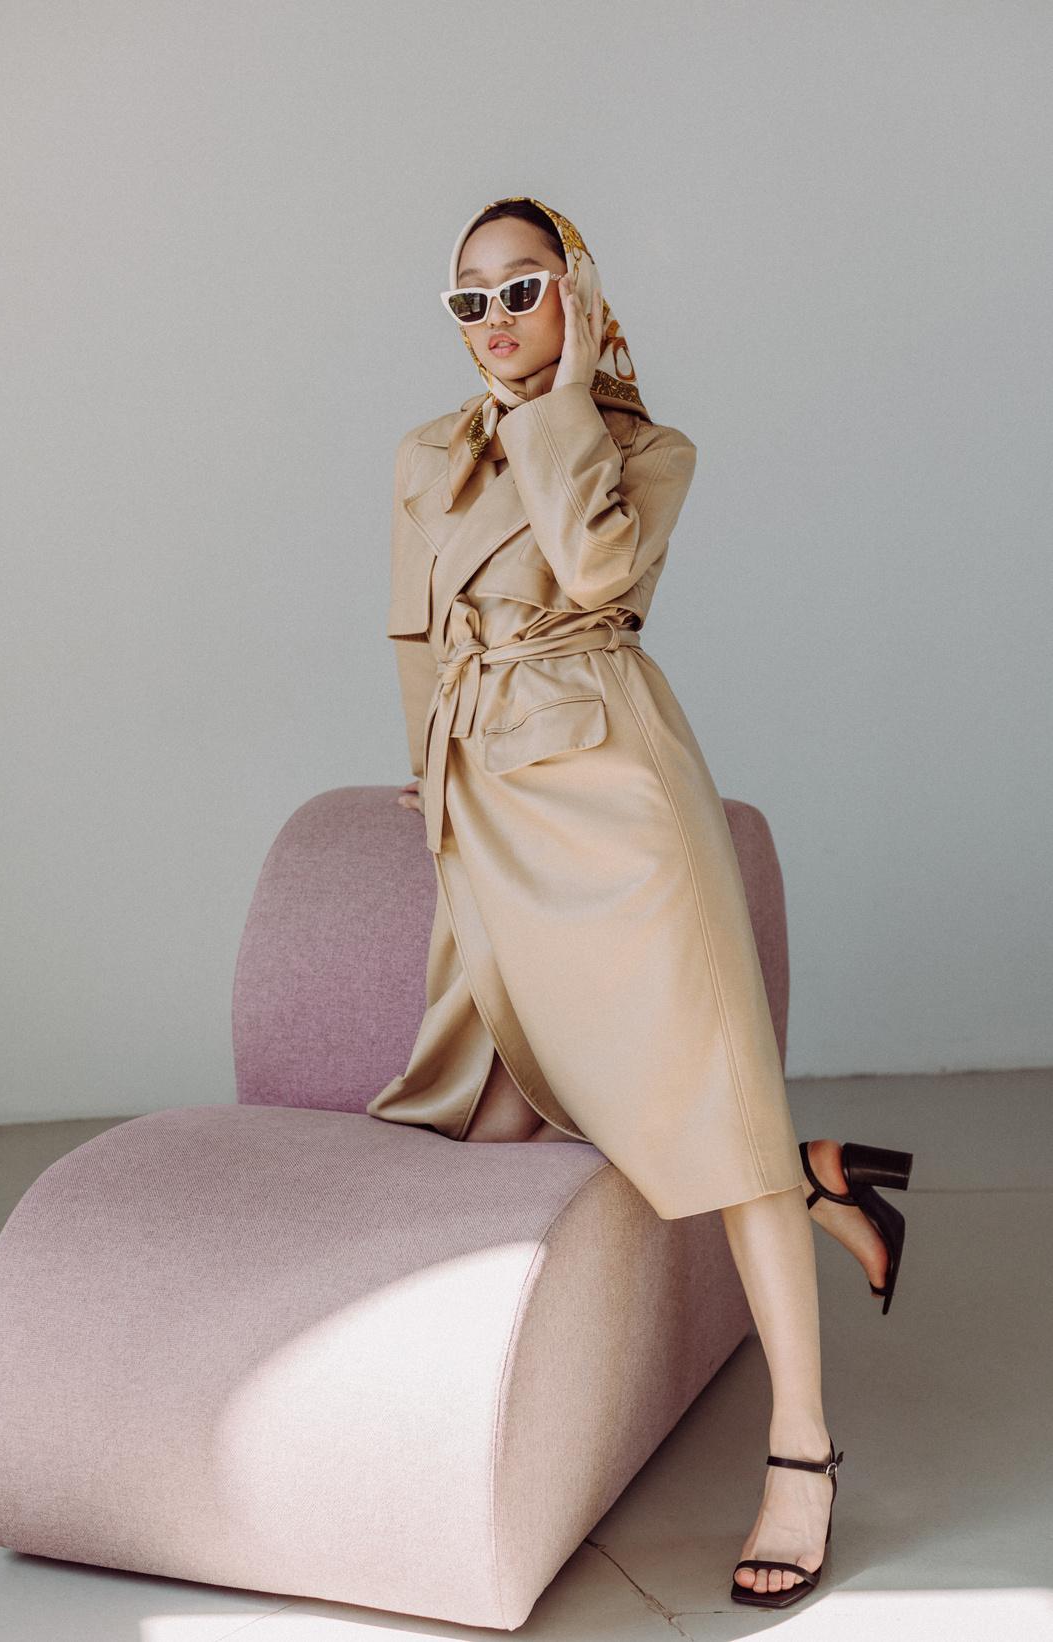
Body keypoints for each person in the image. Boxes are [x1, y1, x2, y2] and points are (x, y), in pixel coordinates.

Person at [369, 194, 914, 1610]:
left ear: (581, 292)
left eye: (524, 286)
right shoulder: (427, 452)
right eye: (470, 299)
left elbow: (599, 570)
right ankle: (820, 1171)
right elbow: (417, 634)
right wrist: (432, 789)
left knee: (718, 1120)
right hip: (491, 802)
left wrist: (555, 409)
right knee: (502, 1107)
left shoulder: (644, 449)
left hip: (618, 791)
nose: (495, 320)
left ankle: (802, 1448)